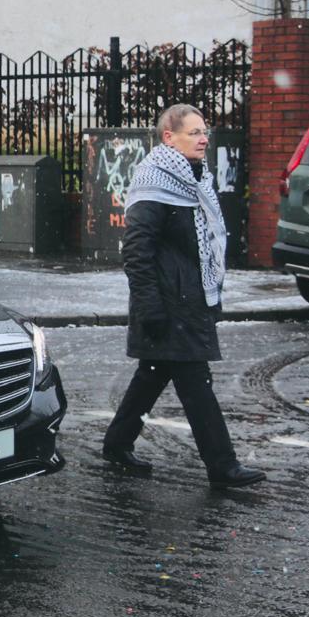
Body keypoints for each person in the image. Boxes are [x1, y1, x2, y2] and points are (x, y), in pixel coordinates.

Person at [102, 104, 265, 489]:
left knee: (153, 374)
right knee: (195, 382)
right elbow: (137, 251)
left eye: (204, 131)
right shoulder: (153, 182)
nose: (203, 138)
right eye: (193, 132)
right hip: (168, 304)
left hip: (189, 299)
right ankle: (222, 467)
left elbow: (204, 246)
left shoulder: (196, 180)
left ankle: (116, 443)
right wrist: (150, 307)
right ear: (168, 137)